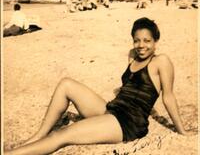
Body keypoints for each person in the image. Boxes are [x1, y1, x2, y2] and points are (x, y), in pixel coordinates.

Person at [4, 17, 191, 155]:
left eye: (147, 41)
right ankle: (38, 136)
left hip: (128, 123)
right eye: (137, 40)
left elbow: (168, 96)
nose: (141, 45)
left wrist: (181, 130)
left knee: (63, 134)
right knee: (66, 84)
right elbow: (129, 87)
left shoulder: (161, 61)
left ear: (156, 42)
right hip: (112, 110)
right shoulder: (131, 55)